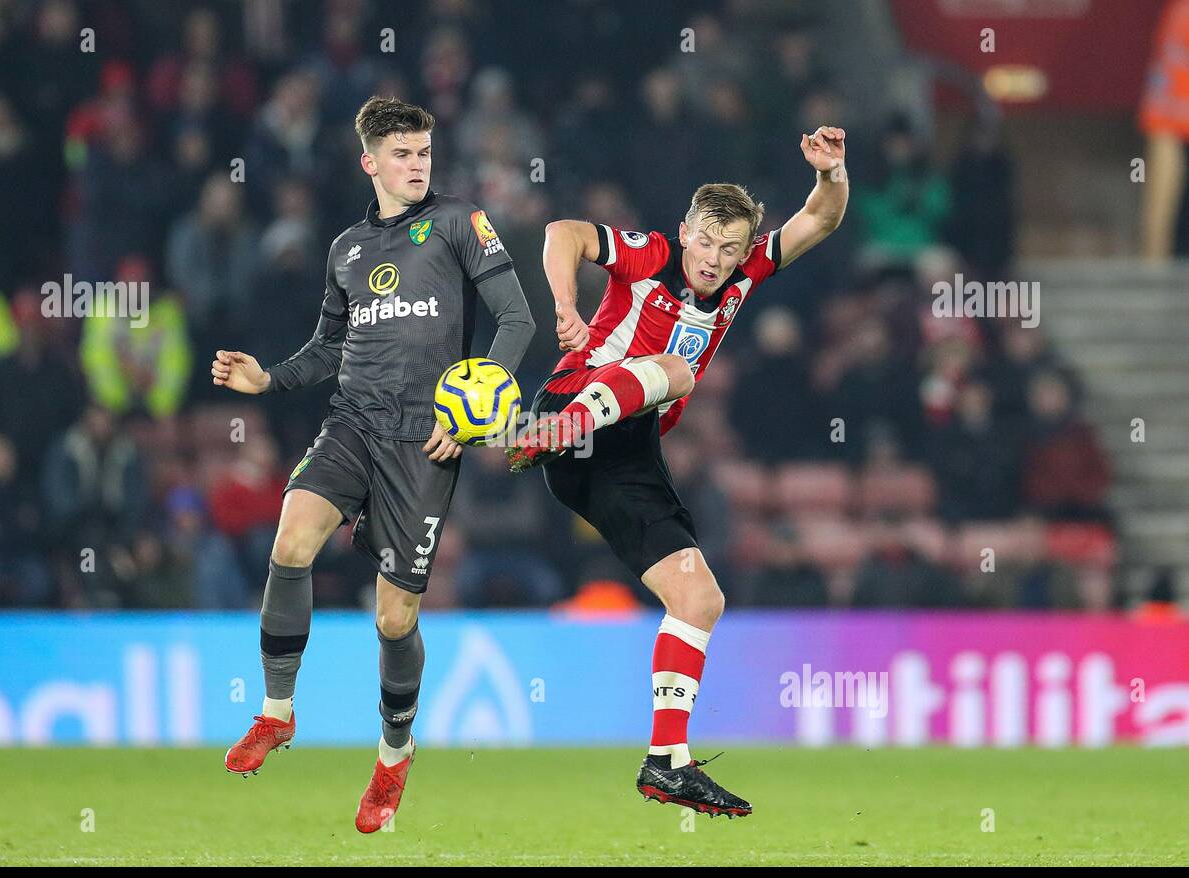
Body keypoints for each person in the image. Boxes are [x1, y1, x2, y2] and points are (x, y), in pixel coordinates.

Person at [210, 97, 534, 832]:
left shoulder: (459, 222)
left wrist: (473, 410)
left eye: (424, 153)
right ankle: (277, 712)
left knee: (395, 617)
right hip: (353, 420)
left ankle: (393, 755)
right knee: (290, 541)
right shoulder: (346, 248)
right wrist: (269, 379)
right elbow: (329, 347)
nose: (418, 165)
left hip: (425, 437)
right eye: (403, 154)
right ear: (370, 161)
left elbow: (518, 320)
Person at [507, 126, 848, 817]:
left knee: (700, 601)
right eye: (706, 242)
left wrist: (832, 174)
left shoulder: (747, 272)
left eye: (730, 249)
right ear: (685, 231)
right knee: (677, 371)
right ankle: (559, 428)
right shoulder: (651, 255)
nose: (716, 260)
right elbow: (563, 232)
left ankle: (667, 761)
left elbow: (819, 218)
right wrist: (566, 305)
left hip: (626, 451)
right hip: (574, 408)